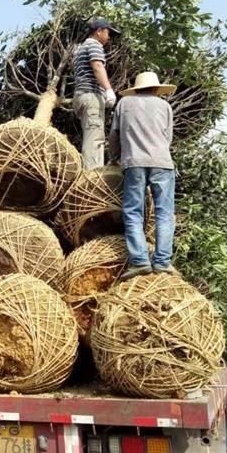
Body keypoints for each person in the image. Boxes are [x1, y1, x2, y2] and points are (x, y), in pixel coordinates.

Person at [108, 71, 177, 280]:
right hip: (162, 163)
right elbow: (168, 138)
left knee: (133, 213)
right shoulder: (165, 106)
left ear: (136, 89)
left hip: (134, 163)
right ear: (156, 89)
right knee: (164, 214)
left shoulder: (124, 104)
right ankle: (162, 262)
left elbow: (114, 135)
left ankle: (140, 261)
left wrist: (114, 156)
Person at [72, 17, 120, 169]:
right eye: (108, 32)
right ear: (99, 32)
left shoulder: (79, 49)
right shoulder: (94, 45)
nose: (109, 37)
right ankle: (92, 178)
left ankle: (90, 172)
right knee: (94, 138)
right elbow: (98, 66)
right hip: (91, 95)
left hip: (81, 95)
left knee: (90, 135)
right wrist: (108, 90)